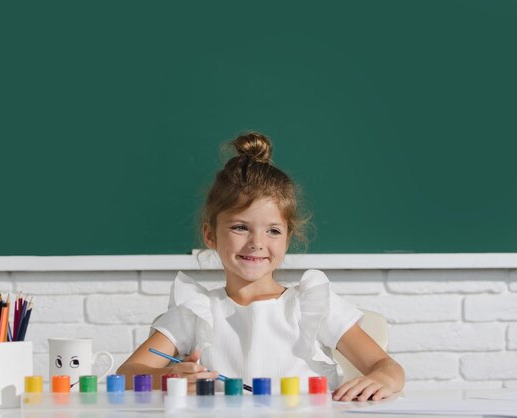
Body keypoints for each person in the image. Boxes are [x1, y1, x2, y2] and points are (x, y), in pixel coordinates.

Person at [117, 132, 405, 401]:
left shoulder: (312, 304)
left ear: (288, 238)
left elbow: (386, 366)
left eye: (273, 231)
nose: (257, 243)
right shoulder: (196, 310)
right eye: (241, 227)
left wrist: (383, 378)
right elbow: (127, 373)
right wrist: (168, 377)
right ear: (210, 234)